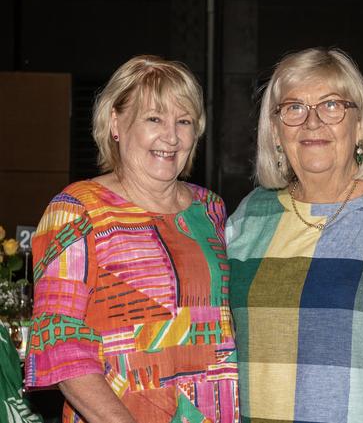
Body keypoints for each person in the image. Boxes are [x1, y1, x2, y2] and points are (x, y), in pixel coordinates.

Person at [25, 55, 238, 423]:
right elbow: (60, 345)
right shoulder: (77, 211)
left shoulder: (210, 209)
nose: (171, 137)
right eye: (154, 118)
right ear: (115, 123)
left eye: (183, 121)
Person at [226, 47, 363, 423]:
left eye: (331, 105)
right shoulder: (248, 218)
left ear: (361, 124)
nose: (312, 122)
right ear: (274, 131)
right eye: (293, 108)